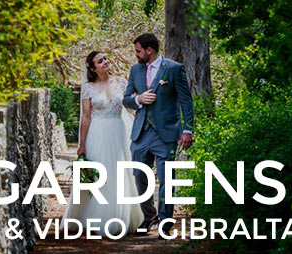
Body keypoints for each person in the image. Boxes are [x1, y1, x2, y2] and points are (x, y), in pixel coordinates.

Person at [62, 51, 144, 237]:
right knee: (98, 175)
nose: (105, 62)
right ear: (93, 68)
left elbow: (132, 104)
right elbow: (86, 117)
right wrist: (81, 144)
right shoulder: (88, 88)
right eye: (100, 61)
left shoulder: (122, 82)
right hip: (97, 132)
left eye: (105, 58)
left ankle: (118, 216)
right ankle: (93, 217)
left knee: (118, 173)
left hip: (117, 130)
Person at [122, 33, 195, 236]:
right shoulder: (135, 69)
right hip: (141, 133)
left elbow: (186, 102)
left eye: (138, 50)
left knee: (166, 180)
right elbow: (126, 99)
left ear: (149, 50)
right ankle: (149, 216)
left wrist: (187, 129)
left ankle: (165, 220)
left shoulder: (173, 69)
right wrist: (139, 100)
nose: (136, 54)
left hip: (166, 133)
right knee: (139, 177)